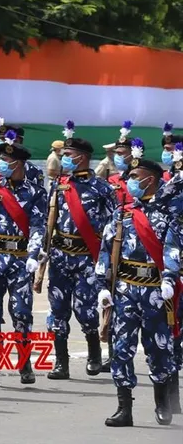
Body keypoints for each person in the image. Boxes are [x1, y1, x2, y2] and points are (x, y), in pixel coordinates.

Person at [100, 157, 179, 427]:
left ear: (151, 180)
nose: (130, 181)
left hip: (156, 291)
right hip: (124, 291)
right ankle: (124, 408)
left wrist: (169, 278)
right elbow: (107, 250)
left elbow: (173, 249)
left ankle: (162, 403)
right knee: (121, 348)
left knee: (158, 348)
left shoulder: (168, 215)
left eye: (136, 176)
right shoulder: (121, 213)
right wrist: (103, 286)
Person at [43, 126, 118, 380]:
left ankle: (94, 353)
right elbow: (49, 218)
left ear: (82, 157)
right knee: (58, 310)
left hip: (87, 257)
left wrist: (106, 261)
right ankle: (61, 363)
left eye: (68, 154)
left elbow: (113, 226)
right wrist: (44, 251)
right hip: (60, 256)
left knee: (85, 310)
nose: (64, 158)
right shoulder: (59, 186)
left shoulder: (102, 189)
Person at [0, 135, 46, 387]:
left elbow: (39, 225)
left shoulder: (34, 193)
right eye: (1, 160)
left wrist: (34, 255)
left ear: (19, 164)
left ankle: (24, 364)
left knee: (21, 314)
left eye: (7, 161)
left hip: (20, 262)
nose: (2, 164)